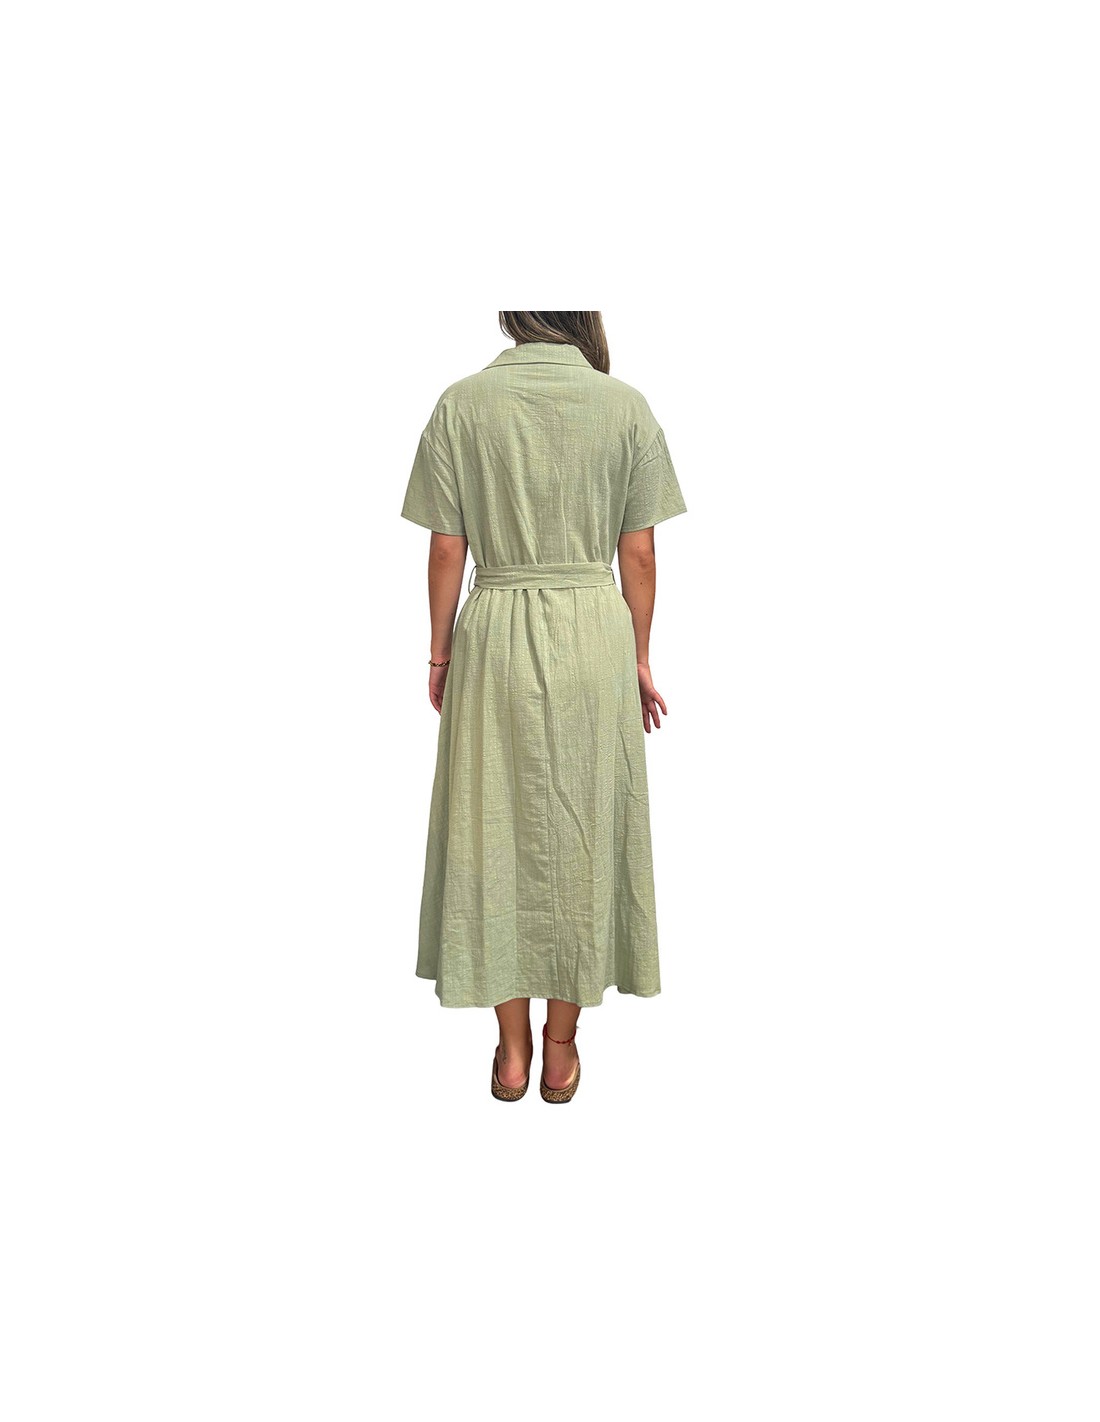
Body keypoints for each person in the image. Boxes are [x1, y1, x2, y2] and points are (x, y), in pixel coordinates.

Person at [400, 311, 687, 1102]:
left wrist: (440, 652)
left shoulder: (462, 404)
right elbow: (638, 552)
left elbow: (448, 547)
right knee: (582, 830)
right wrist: (637, 656)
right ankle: (562, 1050)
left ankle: (513, 1050)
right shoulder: (625, 407)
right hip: (595, 632)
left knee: (492, 831)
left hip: (494, 630)